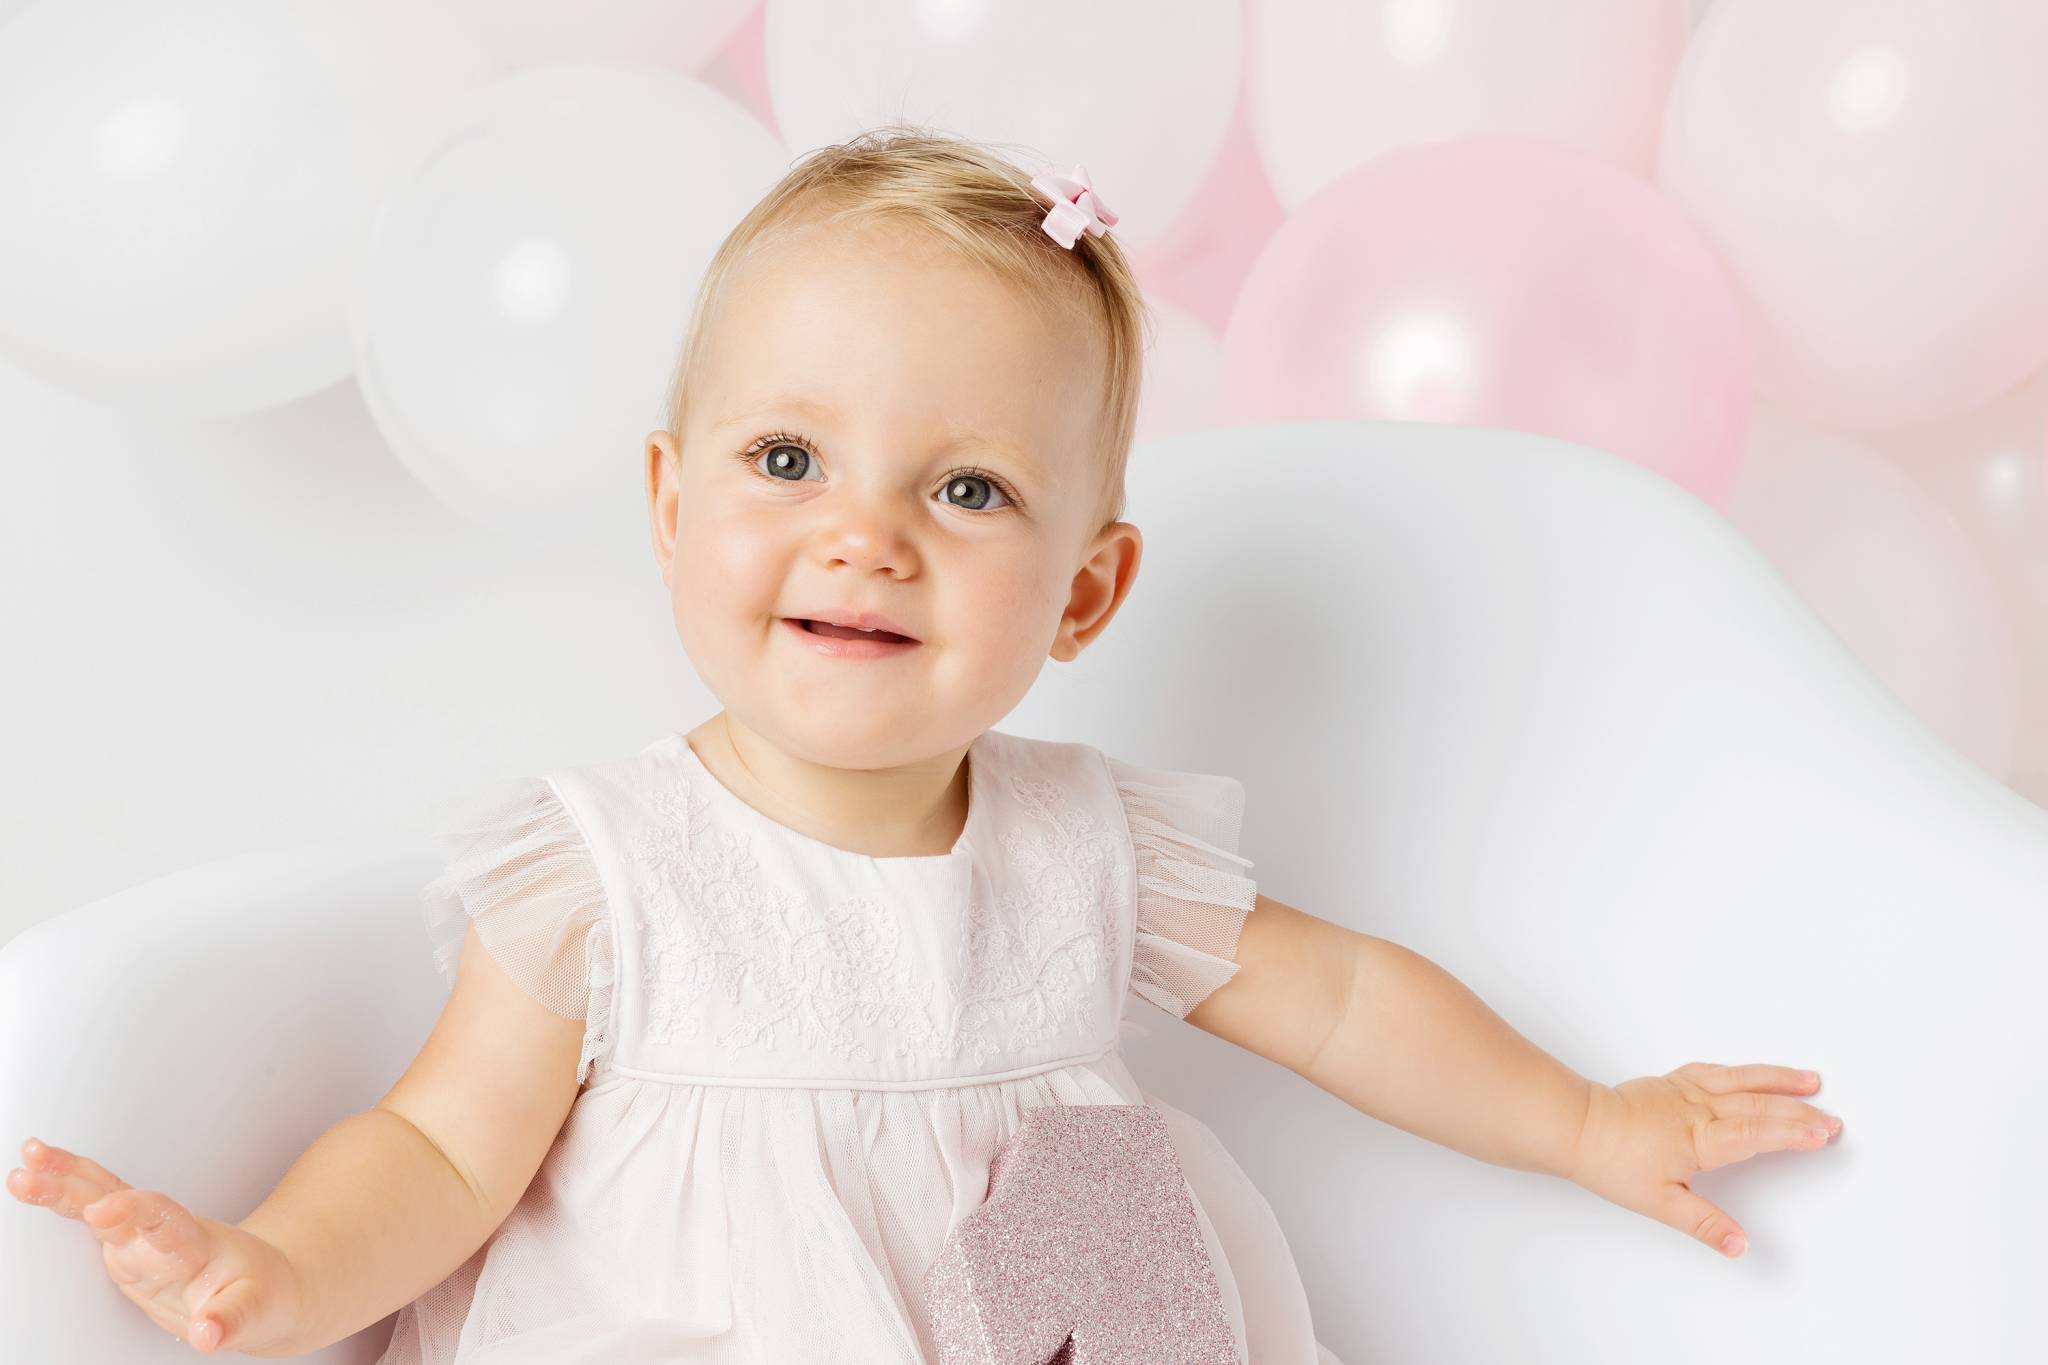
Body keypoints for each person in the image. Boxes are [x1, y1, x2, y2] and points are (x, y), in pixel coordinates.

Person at [7, 126, 1841, 1363]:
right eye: (788, 460)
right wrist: (278, 1267)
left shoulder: (1093, 845)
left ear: (1086, 592)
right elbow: (434, 1146)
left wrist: (1590, 1118)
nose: (863, 535)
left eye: (967, 488)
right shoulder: (606, 868)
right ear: (668, 501)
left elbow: (1350, 1002)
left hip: (1064, 1300)